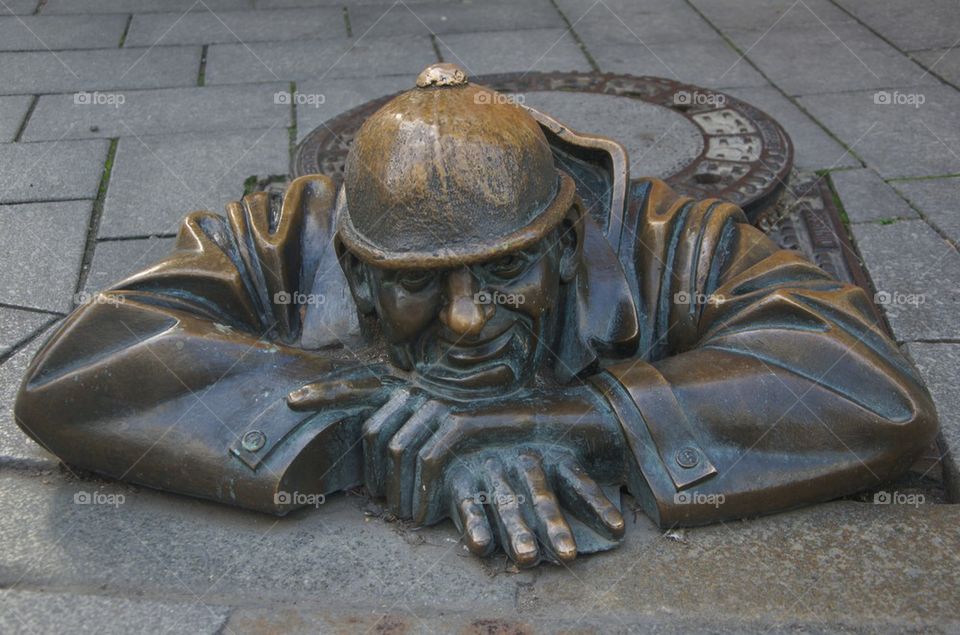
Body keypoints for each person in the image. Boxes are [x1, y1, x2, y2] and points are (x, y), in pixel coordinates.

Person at [15, 64, 938, 567]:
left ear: (567, 244)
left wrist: (576, 421)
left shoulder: (672, 242)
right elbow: (84, 362)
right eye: (417, 282)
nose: (466, 319)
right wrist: (369, 415)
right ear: (355, 268)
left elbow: (868, 385)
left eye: (505, 269)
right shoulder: (293, 234)